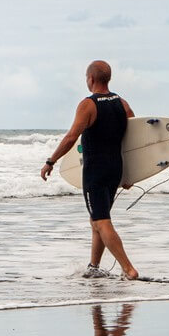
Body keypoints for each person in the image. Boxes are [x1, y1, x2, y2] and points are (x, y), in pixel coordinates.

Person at [40, 60, 139, 279]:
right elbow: (135, 137)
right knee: (97, 219)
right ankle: (93, 267)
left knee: (101, 221)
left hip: (95, 172)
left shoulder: (88, 105)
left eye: (86, 78)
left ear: (91, 79)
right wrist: (131, 173)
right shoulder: (121, 103)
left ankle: (128, 269)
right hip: (115, 169)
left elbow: (71, 137)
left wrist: (51, 161)